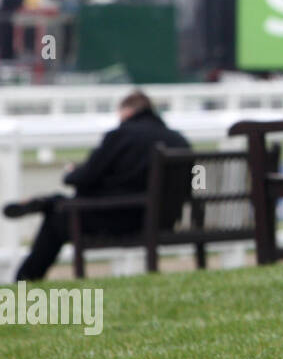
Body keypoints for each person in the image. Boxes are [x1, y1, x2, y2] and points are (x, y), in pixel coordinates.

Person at [6, 90, 190, 280]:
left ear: (127, 112)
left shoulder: (121, 136)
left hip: (121, 219)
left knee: (58, 214)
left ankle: (26, 276)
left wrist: (71, 173)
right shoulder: (179, 140)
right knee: (60, 205)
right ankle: (44, 202)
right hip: (163, 221)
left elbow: (85, 177)